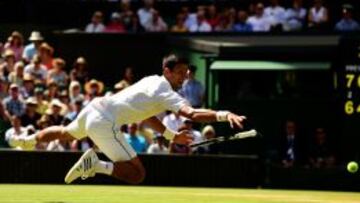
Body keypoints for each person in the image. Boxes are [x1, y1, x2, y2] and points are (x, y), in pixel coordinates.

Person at [10, 54, 246, 185]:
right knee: (138, 174)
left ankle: (27, 141)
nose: (184, 77)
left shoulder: (150, 81)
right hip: (104, 121)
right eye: (180, 72)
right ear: (167, 71)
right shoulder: (164, 90)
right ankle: (97, 165)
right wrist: (223, 114)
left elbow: (147, 116)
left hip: (94, 108)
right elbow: (192, 114)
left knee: (64, 132)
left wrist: (171, 136)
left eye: (186, 73)